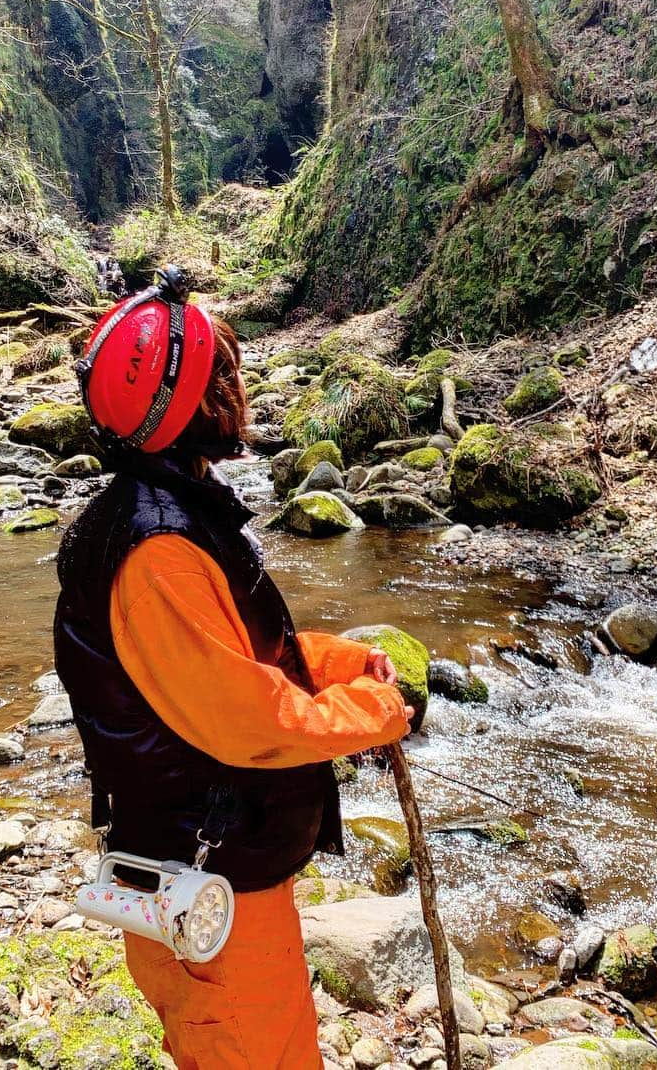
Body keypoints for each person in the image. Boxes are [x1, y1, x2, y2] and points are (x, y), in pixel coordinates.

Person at [54, 266, 411, 1070]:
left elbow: (233, 658)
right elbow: (247, 722)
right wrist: (372, 716)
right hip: (211, 887)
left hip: (215, 868)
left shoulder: (169, 515)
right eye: (229, 374)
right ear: (198, 406)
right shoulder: (159, 552)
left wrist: (339, 662)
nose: (241, 389)